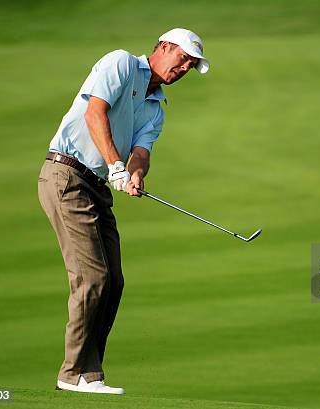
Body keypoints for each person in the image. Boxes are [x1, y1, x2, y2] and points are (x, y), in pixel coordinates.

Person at [37, 28, 209, 395]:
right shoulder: (121, 63)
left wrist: (134, 173)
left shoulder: (156, 109)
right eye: (183, 59)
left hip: (97, 186)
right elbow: (94, 114)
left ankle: (89, 373)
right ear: (164, 48)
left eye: (191, 66)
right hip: (66, 174)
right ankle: (72, 375)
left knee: (113, 280)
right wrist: (116, 165)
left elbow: (142, 151)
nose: (184, 69)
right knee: (93, 277)